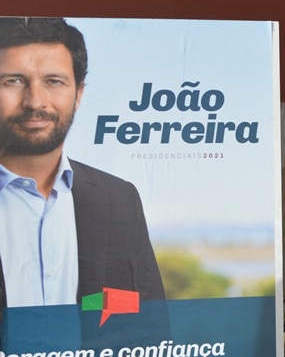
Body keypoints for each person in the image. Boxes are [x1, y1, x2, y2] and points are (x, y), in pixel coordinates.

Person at [0, 17, 165, 310]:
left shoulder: (118, 199)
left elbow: (143, 318)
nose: (35, 102)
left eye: (54, 81)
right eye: (13, 81)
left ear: (78, 94)